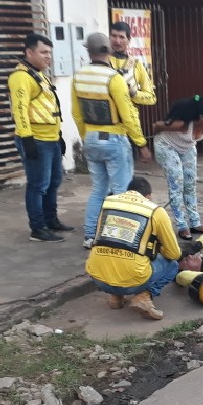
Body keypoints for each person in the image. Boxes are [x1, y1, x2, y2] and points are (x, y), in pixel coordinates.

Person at [72, 32, 151, 249]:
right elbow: (127, 114)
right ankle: (118, 238)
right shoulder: (113, 78)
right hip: (115, 138)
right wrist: (141, 143)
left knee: (98, 189)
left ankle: (90, 236)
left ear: (88, 50)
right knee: (121, 192)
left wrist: (86, 136)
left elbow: (76, 113)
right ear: (108, 50)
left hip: (90, 138)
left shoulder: (78, 76)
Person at [85, 177, 181, 320]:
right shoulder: (155, 211)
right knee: (172, 265)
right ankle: (144, 296)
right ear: (148, 196)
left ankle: (115, 298)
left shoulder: (108, 203)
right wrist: (156, 247)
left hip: (99, 279)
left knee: (114, 254)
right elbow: (174, 253)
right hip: (133, 282)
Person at [8, 32, 71, 243]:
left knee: (54, 181)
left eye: (50, 53)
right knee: (38, 185)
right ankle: (37, 228)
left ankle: (51, 220)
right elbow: (20, 109)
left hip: (50, 138)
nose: (48, 57)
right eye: (43, 52)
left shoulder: (39, 74)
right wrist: (27, 140)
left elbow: (47, 107)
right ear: (29, 52)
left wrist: (59, 135)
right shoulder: (21, 77)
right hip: (36, 140)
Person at [152, 95, 203, 240]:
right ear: (202, 117)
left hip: (187, 147)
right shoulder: (181, 124)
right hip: (166, 146)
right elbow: (157, 125)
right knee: (177, 183)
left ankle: (195, 223)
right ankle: (182, 225)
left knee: (190, 183)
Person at [108, 21, 156, 107]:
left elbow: (151, 98)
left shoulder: (136, 64)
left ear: (129, 39)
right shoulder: (103, 61)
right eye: (114, 36)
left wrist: (134, 94)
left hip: (129, 118)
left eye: (121, 37)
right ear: (109, 37)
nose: (117, 41)